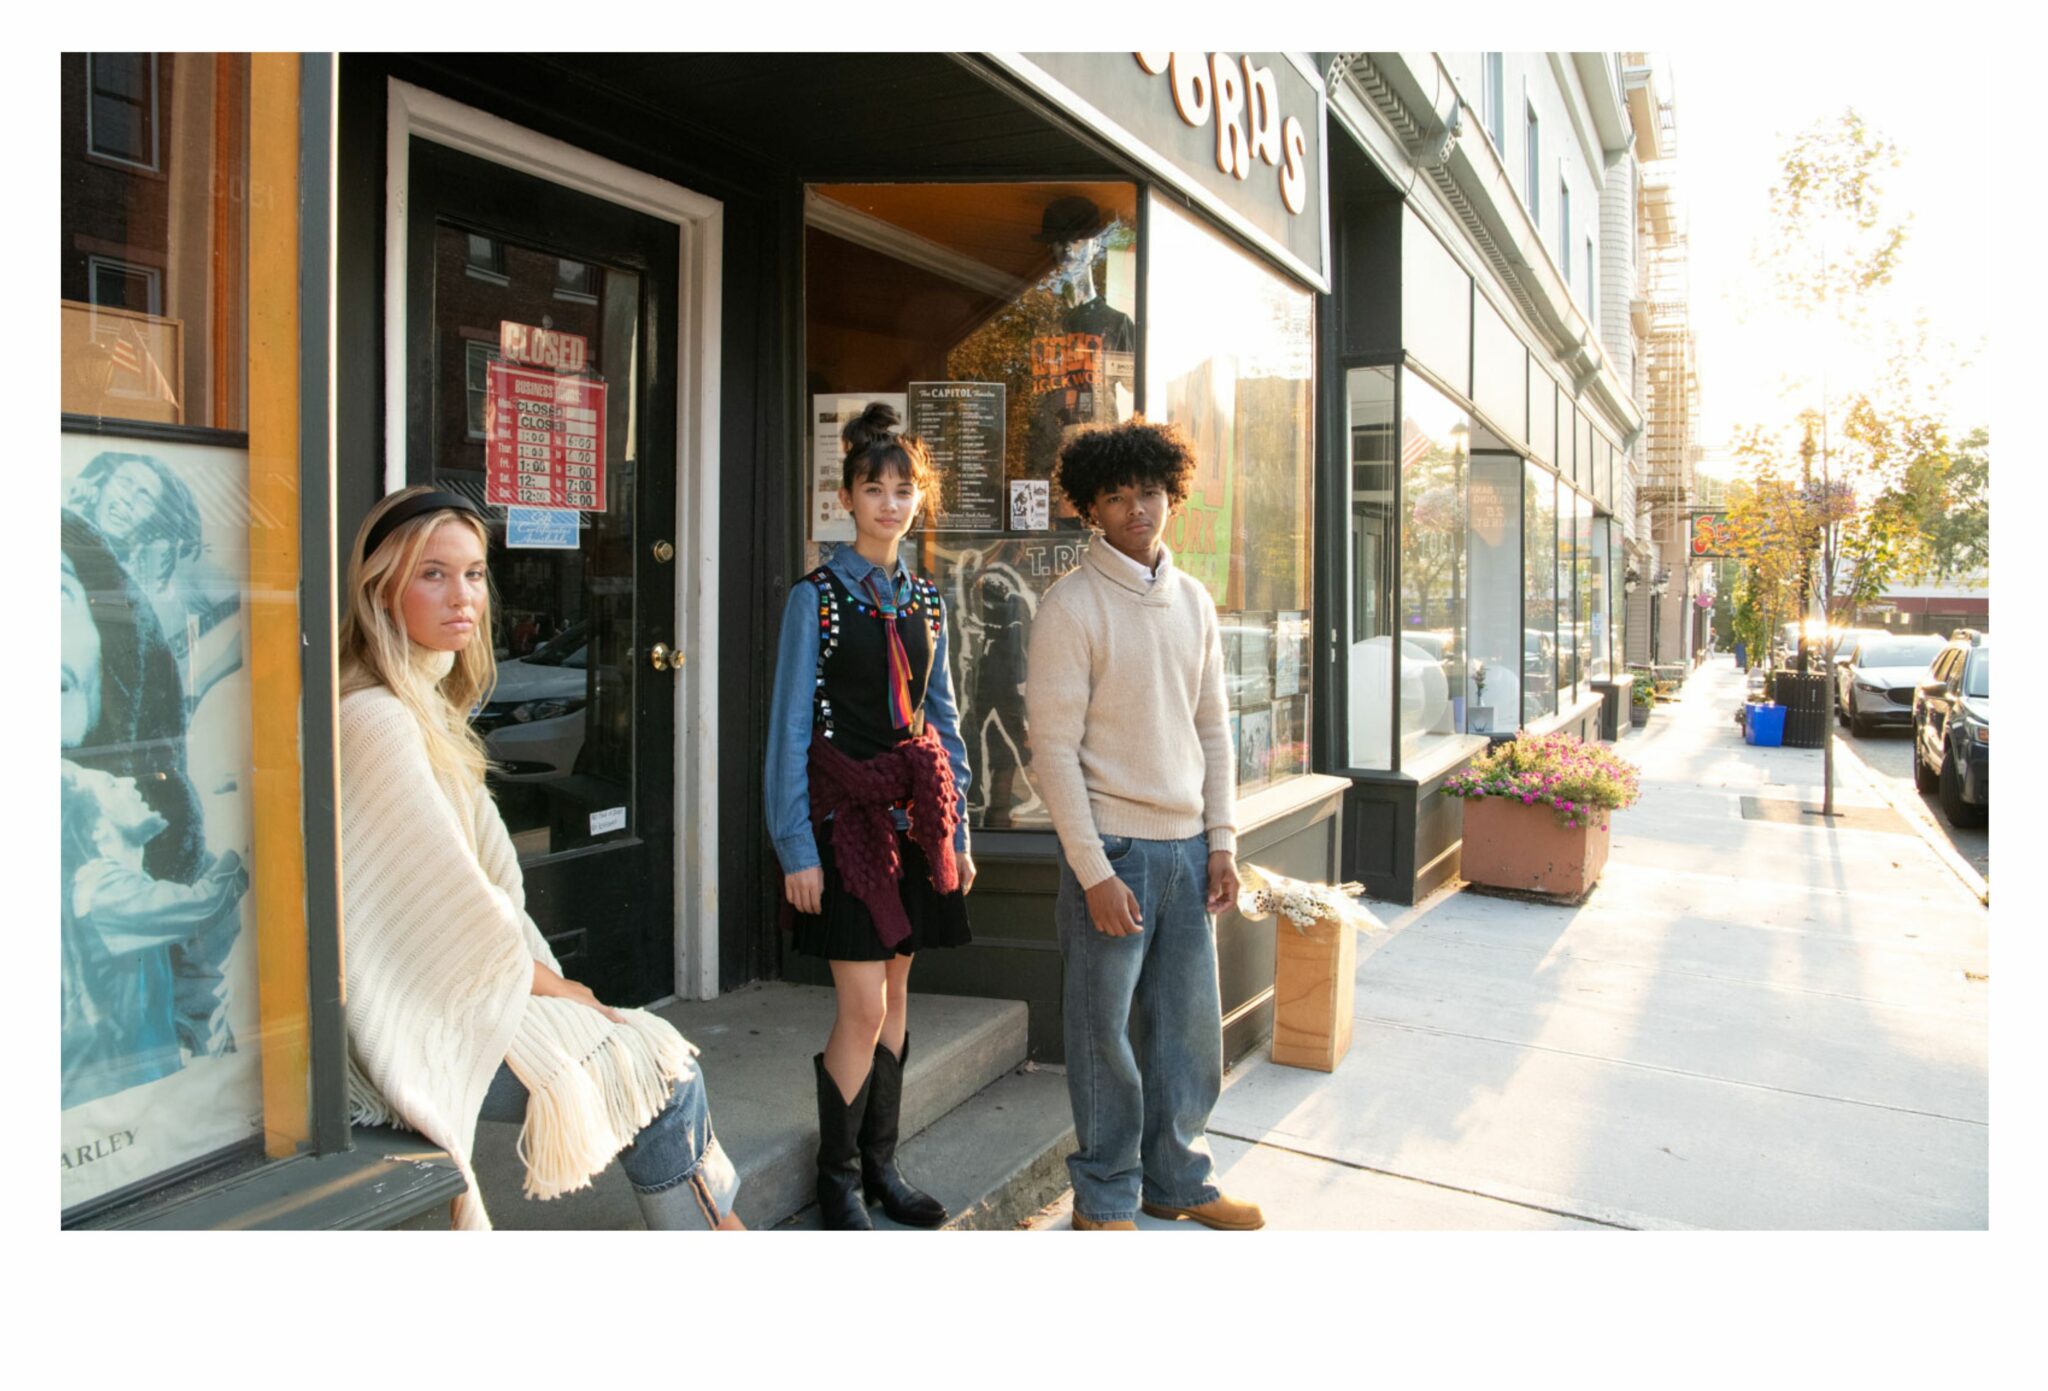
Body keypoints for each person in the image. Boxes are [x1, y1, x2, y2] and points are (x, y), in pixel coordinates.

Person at [336, 485, 741, 1231]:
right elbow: (450, 911)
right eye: (432, 573)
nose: (463, 596)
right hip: (408, 1016)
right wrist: (559, 988)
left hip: (455, 990)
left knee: (657, 1060)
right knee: (656, 1071)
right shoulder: (376, 719)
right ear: (381, 588)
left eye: (474, 573)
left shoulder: (425, 710)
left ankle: (719, 1226)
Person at [1024, 418, 1262, 1231]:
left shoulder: (1193, 600)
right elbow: (1051, 750)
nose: (1138, 508)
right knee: (1104, 1043)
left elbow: (1214, 729)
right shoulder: (1071, 605)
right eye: (1118, 496)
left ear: (1172, 495)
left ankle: (1179, 1180)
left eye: (1151, 492)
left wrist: (1223, 841)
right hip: (1116, 853)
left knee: (1188, 1037)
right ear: (1091, 506)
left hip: (1190, 850)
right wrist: (1093, 870)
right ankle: (1105, 1197)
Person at [766, 422, 975, 1230]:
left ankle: (883, 1163)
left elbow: (944, 720)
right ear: (846, 496)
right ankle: (838, 1177)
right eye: (875, 489)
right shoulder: (813, 598)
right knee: (859, 1007)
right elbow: (789, 730)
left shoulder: (925, 597)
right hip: (841, 828)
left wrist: (956, 832)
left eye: (904, 490)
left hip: (912, 823)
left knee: (896, 993)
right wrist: (793, 845)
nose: (891, 504)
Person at [60, 761, 247, 1109]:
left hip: (143, 1081)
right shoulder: (102, 889)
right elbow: (202, 906)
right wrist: (251, 842)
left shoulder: (121, 881)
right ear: (97, 828)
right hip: (120, 1092)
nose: (130, 780)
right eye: (112, 785)